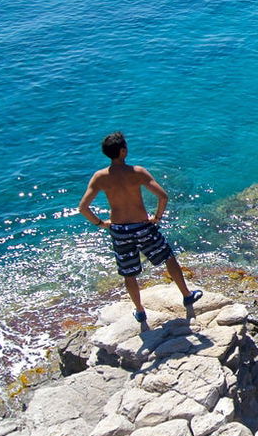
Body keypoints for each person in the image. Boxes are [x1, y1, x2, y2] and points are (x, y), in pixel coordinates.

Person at [78, 131, 202, 323]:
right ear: (123, 151)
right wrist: (156, 217)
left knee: (129, 273)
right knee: (168, 257)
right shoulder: (137, 172)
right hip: (143, 227)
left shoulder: (100, 177)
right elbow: (163, 196)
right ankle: (186, 295)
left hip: (119, 231)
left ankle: (140, 311)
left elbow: (83, 208)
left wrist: (101, 224)